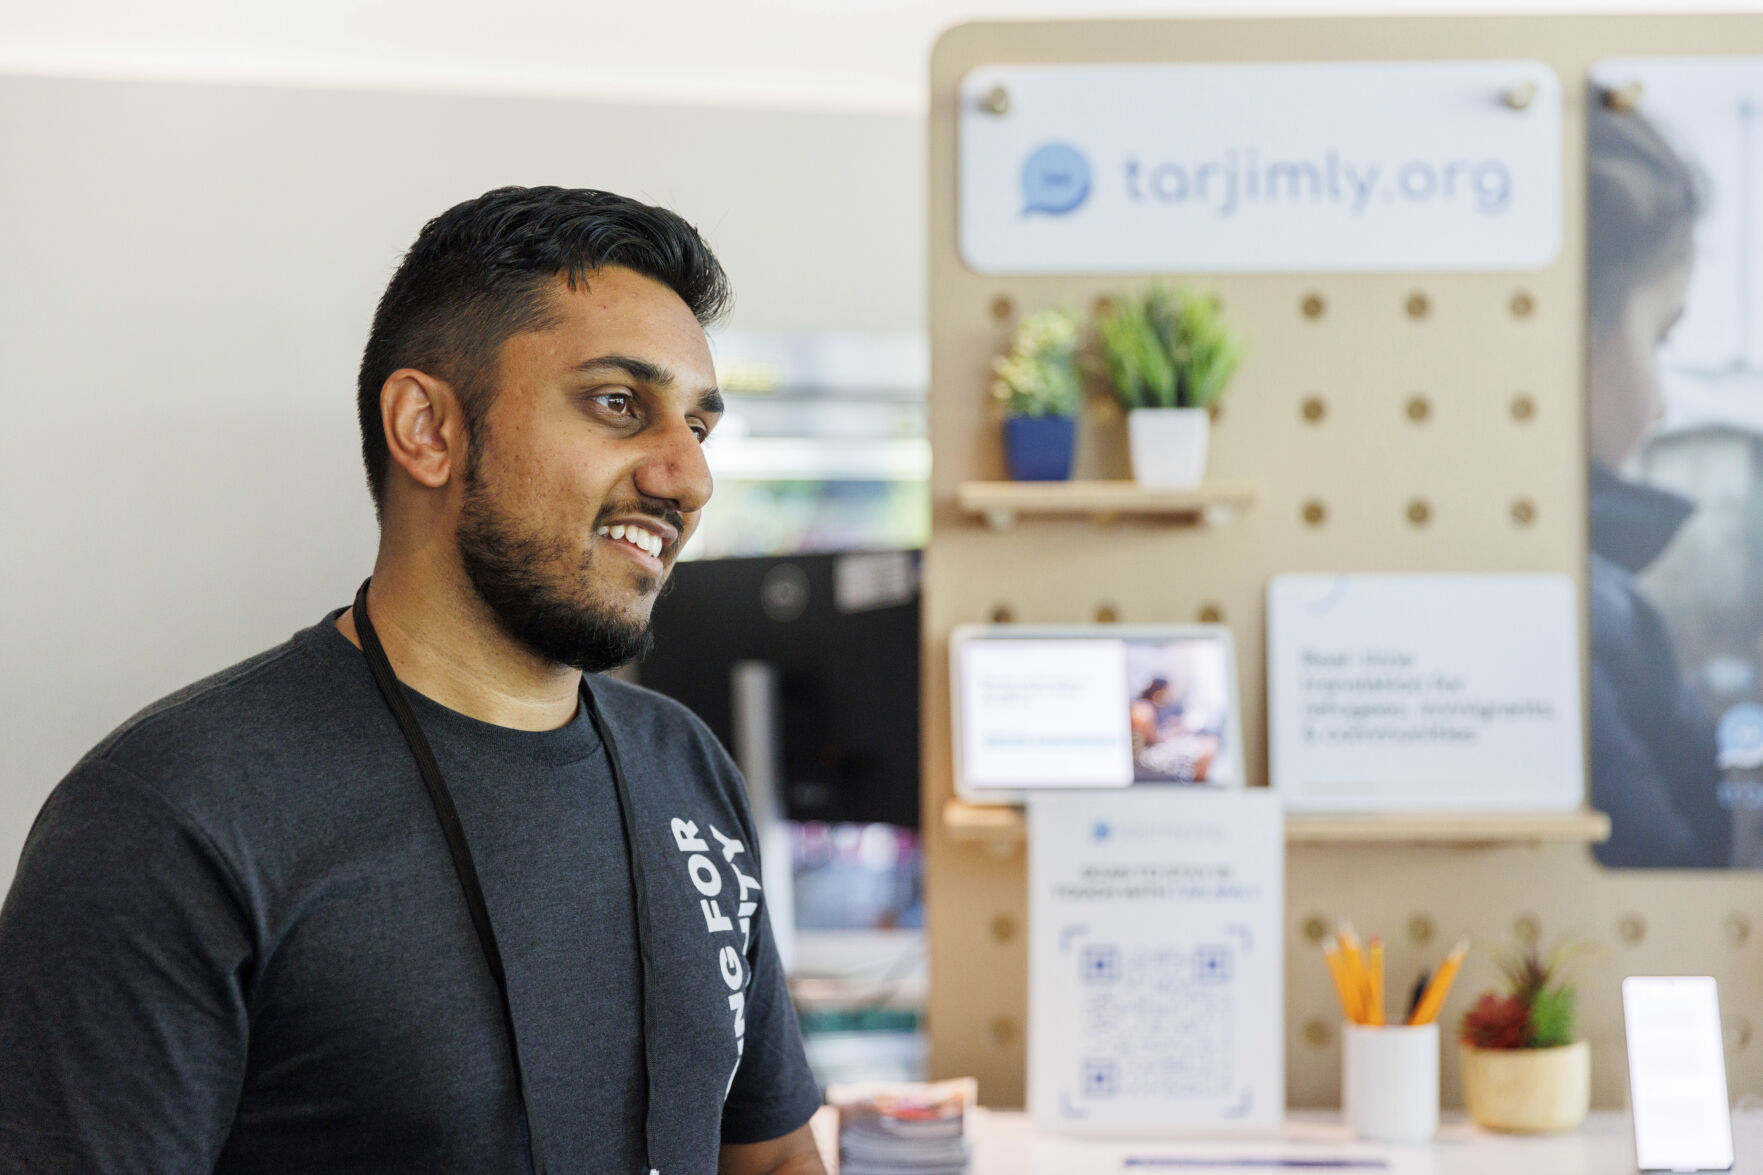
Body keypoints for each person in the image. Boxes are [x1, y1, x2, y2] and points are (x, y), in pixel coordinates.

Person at [0, 187, 828, 1173]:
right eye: (618, 404)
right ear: (426, 427)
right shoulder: (172, 814)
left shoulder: (681, 761)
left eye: (698, 425)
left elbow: (769, 1153)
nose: (687, 477)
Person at [1586, 94, 1732, 868]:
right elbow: (1663, 862)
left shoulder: (1594, 594)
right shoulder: (1588, 606)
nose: (1658, 403)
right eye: (1659, 335)